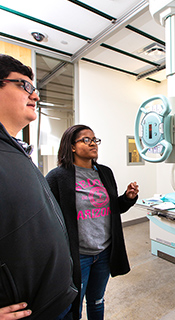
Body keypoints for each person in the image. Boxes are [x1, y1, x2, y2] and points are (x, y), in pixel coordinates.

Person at [0, 54, 77, 320]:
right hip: (29, 310)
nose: (35, 96)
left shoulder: (17, 152)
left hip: (56, 297)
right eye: (24, 86)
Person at [46, 124, 139, 320]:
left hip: (104, 252)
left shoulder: (105, 172)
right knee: (73, 306)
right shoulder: (58, 177)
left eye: (95, 139)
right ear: (72, 146)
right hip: (77, 255)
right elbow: (48, 216)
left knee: (97, 300)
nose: (93, 143)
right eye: (86, 140)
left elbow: (113, 209)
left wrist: (127, 198)